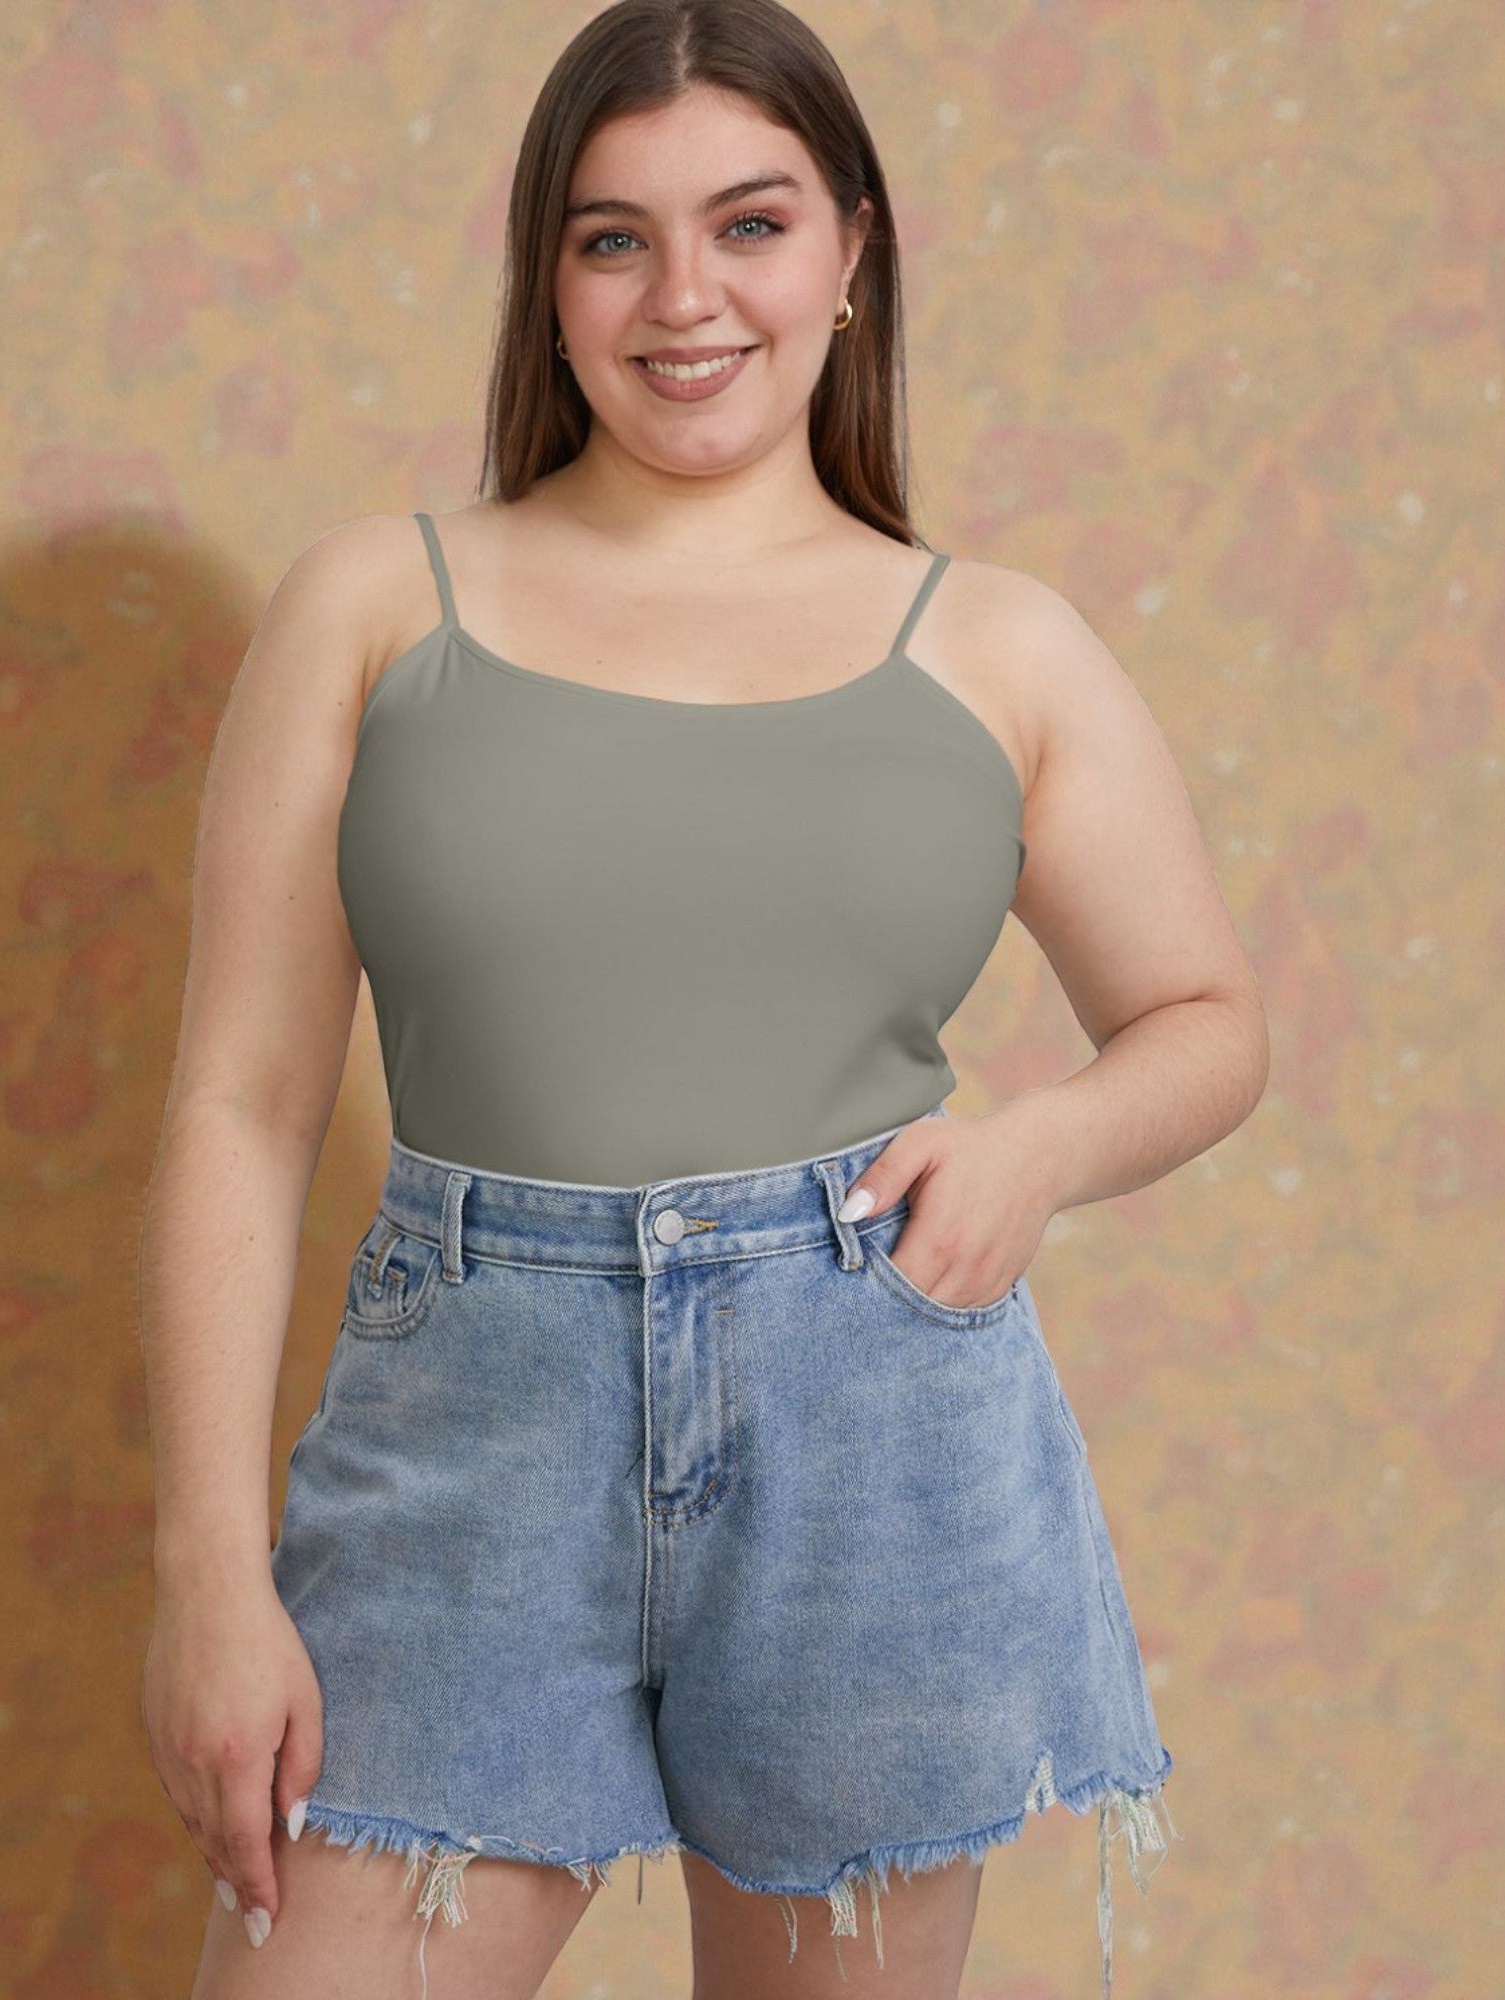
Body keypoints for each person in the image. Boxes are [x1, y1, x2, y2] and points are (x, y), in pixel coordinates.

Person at [139, 3, 1268, 1996]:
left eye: (746, 225)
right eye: (610, 239)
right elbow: (241, 1101)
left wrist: (1033, 1152)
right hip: (462, 1428)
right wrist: (206, 1575)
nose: (684, 298)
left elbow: (1199, 1018)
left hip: (872, 1415)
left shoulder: (997, 647)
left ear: (851, 249)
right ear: (544, 280)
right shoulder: (374, 607)